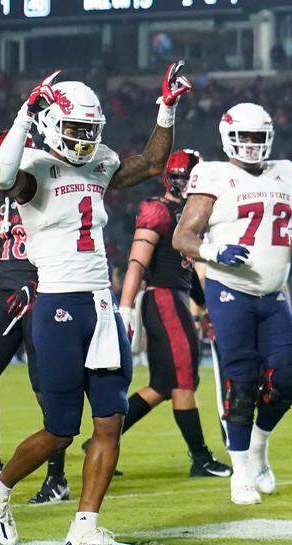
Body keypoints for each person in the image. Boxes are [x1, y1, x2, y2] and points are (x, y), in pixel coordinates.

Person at [0, 62, 190, 545]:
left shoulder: (97, 163)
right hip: (57, 303)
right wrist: (23, 113)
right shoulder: (31, 166)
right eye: (73, 128)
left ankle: (85, 526)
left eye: (88, 130)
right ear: (51, 122)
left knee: (110, 420)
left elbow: (151, 163)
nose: (81, 138)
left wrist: (166, 108)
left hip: (100, 305)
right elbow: (0, 176)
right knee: (59, 430)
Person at [172, 102, 292, 506]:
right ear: (228, 136)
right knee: (240, 382)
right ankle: (240, 472)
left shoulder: (285, 172)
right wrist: (215, 250)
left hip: (273, 294)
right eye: (243, 136)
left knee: (287, 380)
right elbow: (183, 237)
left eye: (256, 137)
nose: (250, 145)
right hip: (230, 290)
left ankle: (257, 448)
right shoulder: (214, 175)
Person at [0, 130, 70, 506]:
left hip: (43, 294)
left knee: (47, 393)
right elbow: (3, 252)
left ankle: (56, 478)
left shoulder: (53, 189)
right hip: (6, 295)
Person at [103, 148, 230, 478]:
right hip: (163, 299)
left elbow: (189, 268)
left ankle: (100, 442)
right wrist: (125, 308)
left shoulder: (190, 215)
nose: (187, 185)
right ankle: (200, 457)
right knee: (185, 379)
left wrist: (202, 306)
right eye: (182, 178)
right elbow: (137, 262)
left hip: (177, 297)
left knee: (162, 384)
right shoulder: (159, 210)